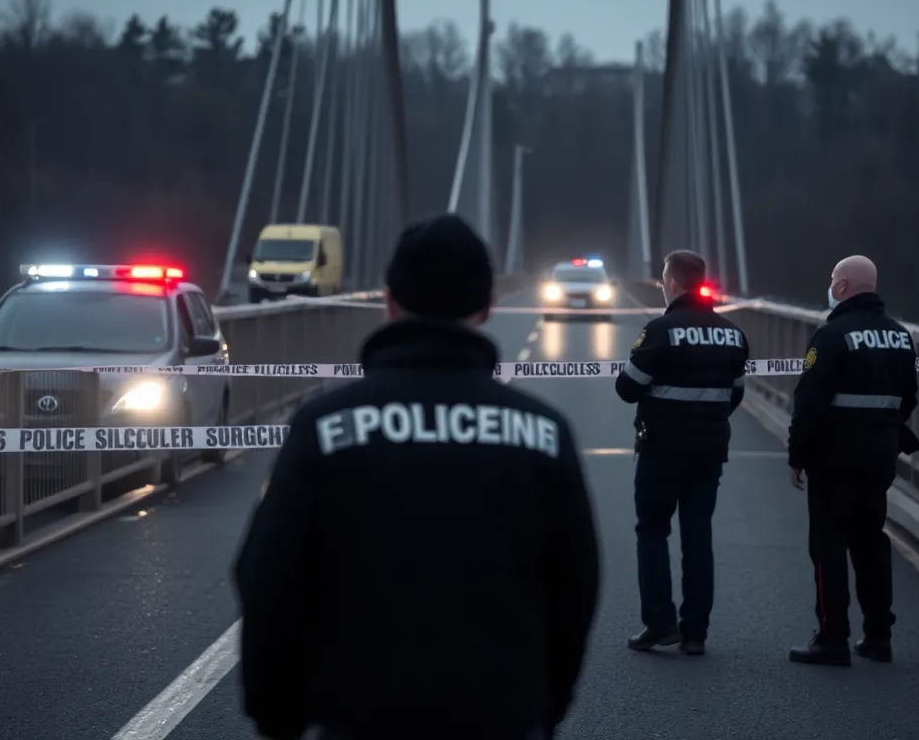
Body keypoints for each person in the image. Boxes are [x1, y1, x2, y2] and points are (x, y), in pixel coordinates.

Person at [233, 213, 601, 740]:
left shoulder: (324, 427)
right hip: (499, 718)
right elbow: (576, 584)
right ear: (487, 308)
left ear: (388, 302)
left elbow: (269, 576)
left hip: (357, 720)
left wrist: (278, 716)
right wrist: (542, 707)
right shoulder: (543, 433)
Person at [786, 254, 919, 667]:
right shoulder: (899, 336)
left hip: (834, 459)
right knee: (871, 544)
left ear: (842, 286)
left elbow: (809, 402)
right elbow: (909, 396)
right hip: (879, 458)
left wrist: (798, 455)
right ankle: (879, 637)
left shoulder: (832, 334)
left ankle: (832, 638)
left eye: (832, 280)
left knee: (828, 547)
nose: (830, 286)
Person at [615, 250, 749, 656]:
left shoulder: (659, 330)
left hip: (661, 449)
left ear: (671, 282)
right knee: (698, 537)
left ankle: (659, 624)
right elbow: (736, 393)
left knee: (653, 531)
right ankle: (695, 633)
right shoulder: (731, 333)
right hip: (709, 450)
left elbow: (627, 389)